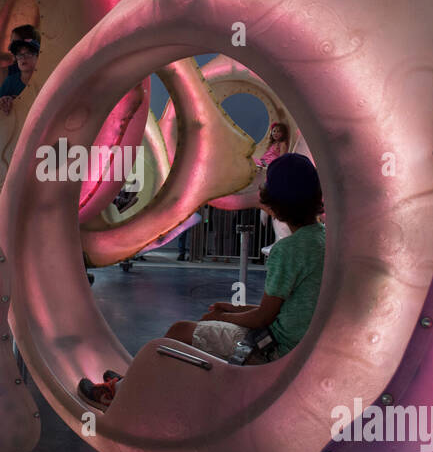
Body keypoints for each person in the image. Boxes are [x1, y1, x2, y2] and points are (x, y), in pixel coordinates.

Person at [79, 153, 326, 410]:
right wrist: (234, 309)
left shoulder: (288, 251)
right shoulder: (322, 239)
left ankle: (119, 396)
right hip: (299, 350)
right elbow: (281, 308)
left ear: (277, 202)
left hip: (274, 352)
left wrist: (222, 318)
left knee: (178, 333)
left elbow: (262, 318)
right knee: (196, 330)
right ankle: (132, 381)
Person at [0, 25, 40, 115]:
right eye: (19, 55)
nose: (23, 58)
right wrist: (5, 100)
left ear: (37, 55)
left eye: (28, 53)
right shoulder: (10, 80)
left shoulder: (44, 78)